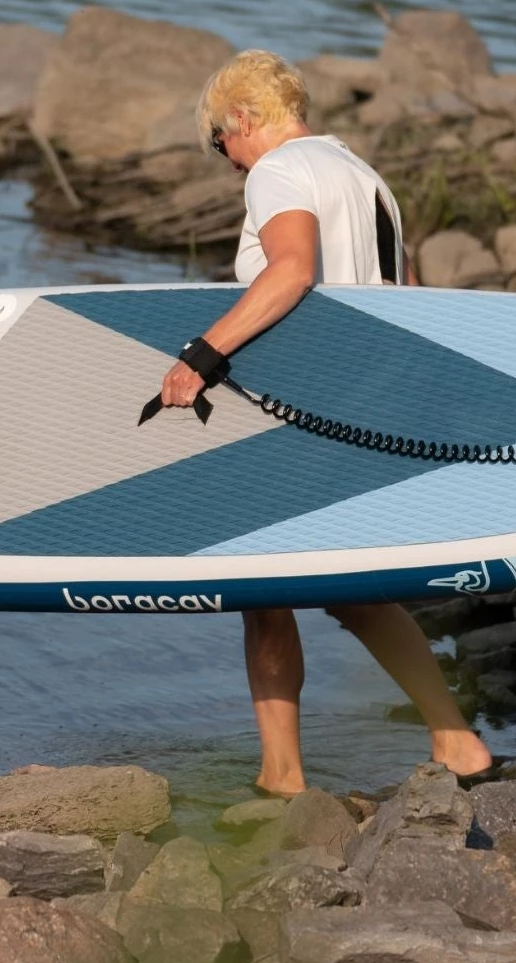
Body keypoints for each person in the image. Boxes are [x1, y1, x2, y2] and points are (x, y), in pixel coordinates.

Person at [157, 49, 492, 794]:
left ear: (243, 118)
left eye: (221, 142)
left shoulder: (278, 171)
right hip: (371, 410)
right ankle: (457, 741)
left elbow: (292, 270)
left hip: (310, 411)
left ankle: (282, 777)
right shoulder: (366, 178)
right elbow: (412, 295)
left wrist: (200, 357)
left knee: (261, 590)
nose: (229, 162)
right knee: (352, 592)